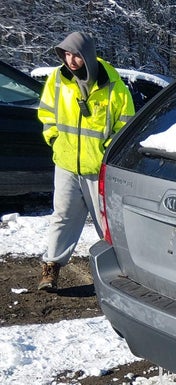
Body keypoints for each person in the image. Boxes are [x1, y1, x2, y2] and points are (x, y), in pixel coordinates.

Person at [36, 31, 134, 292]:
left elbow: (125, 125)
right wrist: (54, 138)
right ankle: (51, 268)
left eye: (75, 55)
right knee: (62, 216)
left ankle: (121, 274)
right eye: (66, 54)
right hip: (66, 163)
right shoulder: (58, 79)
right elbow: (46, 112)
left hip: (98, 170)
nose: (70, 61)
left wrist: (107, 154)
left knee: (107, 223)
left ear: (87, 55)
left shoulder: (113, 85)